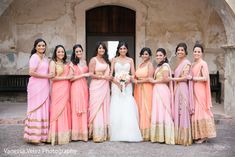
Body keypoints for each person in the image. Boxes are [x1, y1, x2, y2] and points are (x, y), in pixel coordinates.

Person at [109, 41, 142, 142]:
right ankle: (116, 132)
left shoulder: (130, 60)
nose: (122, 50)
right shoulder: (114, 60)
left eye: (124, 48)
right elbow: (111, 75)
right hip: (116, 85)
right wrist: (118, 83)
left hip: (127, 86)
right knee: (117, 105)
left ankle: (129, 131)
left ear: (127, 50)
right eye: (121, 49)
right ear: (118, 50)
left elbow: (133, 74)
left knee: (127, 105)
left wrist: (127, 81)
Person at [24, 38, 53, 144]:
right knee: (36, 109)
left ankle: (43, 136)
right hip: (35, 87)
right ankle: (34, 136)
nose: (41, 47)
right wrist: (46, 76)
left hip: (45, 86)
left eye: (43, 45)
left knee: (44, 108)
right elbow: (31, 72)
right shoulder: (34, 57)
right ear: (35, 47)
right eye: (39, 45)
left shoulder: (45, 58)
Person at [189, 43, 216, 143]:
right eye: (195, 51)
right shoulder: (193, 64)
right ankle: (198, 134)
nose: (196, 53)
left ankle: (204, 135)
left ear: (202, 53)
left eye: (198, 52)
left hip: (200, 89)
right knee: (195, 111)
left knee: (201, 110)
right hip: (193, 89)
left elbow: (205, 78)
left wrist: (193, 78)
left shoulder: (203, 63)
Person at [149, 48, 175, 144]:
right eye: (157, 55)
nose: (158, 57)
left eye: (160, 55)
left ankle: (166, 136)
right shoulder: (159, 66)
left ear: (165, 56)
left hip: (162, 89)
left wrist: (154, 81)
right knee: (158, 111)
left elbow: (166, 79)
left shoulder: (165, 66)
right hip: (157, 89)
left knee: (164, 111)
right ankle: (159, 136)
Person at [48, 45, 72, 145]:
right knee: (57, 109)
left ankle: (64, 135)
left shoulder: (66, 63)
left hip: (66, 88)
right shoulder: (53, 62)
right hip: (57, 89)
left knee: (65, 109)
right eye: (59, 52)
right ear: (55, 53)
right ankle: (55, 136)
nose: (61, 53)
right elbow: (52, 78)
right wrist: (66, 78)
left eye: (62, 52)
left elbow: (71, 75)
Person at [171, 42, 194, 146]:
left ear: (185, 52)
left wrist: (172, 78)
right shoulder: (179, 63)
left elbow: (185, 77)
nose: (180, 52)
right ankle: (178, 137)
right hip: (177, 88)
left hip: (183, 88)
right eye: (178, 50)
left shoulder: (187, 63)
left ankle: (184, 138)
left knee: (183, 111)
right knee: (178, 111)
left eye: (182, 50)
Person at [88, 42, 111, 142]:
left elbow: (109, 74)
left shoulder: (106, 60)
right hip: (96, 86)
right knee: (96, 108)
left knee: (104, 107)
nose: (101, 50)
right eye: (100, 48)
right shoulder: (93, 60)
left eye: (103, 48)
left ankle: (104, 133)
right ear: (97, 49)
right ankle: (97, 134)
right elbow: (91, 74)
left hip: (105, 86)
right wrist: (102, 77)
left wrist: (107, 78)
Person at [70, 44, 90, 141]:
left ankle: (83, 134)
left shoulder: (84, 61)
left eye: (80, 51)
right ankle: (76, 134)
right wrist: (84, 75)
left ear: (82, 51)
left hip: (84, 86)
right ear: (74, 52)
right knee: (77, 108)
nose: (78, 53)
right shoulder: (72, 63)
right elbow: (71, 78)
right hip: (76, 87)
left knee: (84, 107)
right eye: (77, 51)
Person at [134, 47, 154, 141]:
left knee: (146, 108)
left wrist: (138, 82)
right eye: (143, 54)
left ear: (149, 55)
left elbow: (150, 78)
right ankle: (139, 131)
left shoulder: (150, 65)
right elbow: (135, 76)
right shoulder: (140, 64)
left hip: (146, 87)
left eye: (146, 54)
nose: (144, 55)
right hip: (138, 89)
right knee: (139, 107)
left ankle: (147, 132)